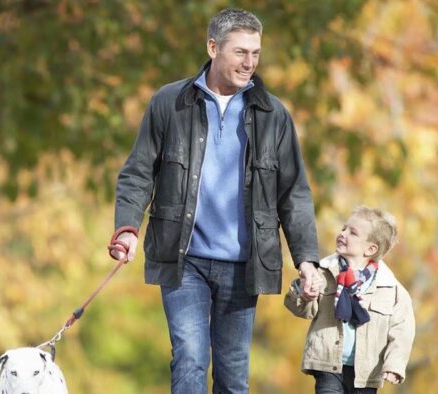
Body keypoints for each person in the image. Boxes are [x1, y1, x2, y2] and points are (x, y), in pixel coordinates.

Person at [108, 8, 321, 393]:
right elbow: (138, 172)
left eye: (256, 53)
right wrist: (127, 229)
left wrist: (306, 259)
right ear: (212, 48)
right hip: (182, 257)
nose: (250, 63)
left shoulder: (273, 116)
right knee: (189, 356)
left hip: (244, 265)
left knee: (233, 377)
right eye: (240, 52)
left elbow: (294, 193)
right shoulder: (170, 103)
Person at [284, 205, 415, 393]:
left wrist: (394, 365)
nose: (343, 233)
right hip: (327, 364)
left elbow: (403, 331)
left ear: (370, 248)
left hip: (366, 373)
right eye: (344, 228)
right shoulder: (323, 273)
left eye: (352, 233)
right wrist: (303, 292)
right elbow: (302, 309)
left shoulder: (391, 289)